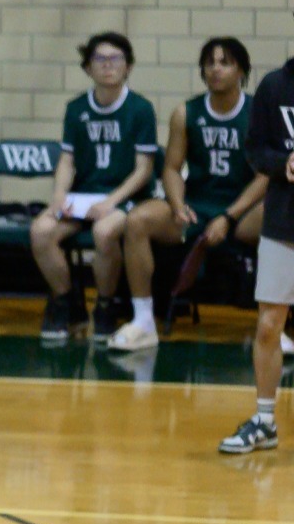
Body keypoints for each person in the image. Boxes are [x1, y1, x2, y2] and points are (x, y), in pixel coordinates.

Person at [111, 38, 267, 352]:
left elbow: (265, 175)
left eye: (225, 62)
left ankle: (274, 325)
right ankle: (143, 321)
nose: (216, 69)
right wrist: (177, 204)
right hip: (199, 205)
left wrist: (228, 216)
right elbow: (171, 167)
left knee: (281, 226)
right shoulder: (186, 112)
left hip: (243, 209)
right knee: (137, 220)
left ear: (241, 71)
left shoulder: (257, 113)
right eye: (210, 63)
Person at [30, 32, 159, 344]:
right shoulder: (76, 108)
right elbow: (66, 160)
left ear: (128, 66)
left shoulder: (140, 109)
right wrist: (59, 196)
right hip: (85, 193)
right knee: (41, 230)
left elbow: (144, 169)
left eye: (115, 59)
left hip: (127, 197)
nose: (108, 65)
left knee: (104, 232)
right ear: (88, 67)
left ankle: (105, 305)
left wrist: (112, 201)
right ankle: (67, 303)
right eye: (100, 59)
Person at [219, 35, 294, 455]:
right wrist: (282, 164)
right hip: (284, 222)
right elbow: (255, 150)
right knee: (269, 325)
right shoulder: (274, 87)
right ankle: (264, 421)